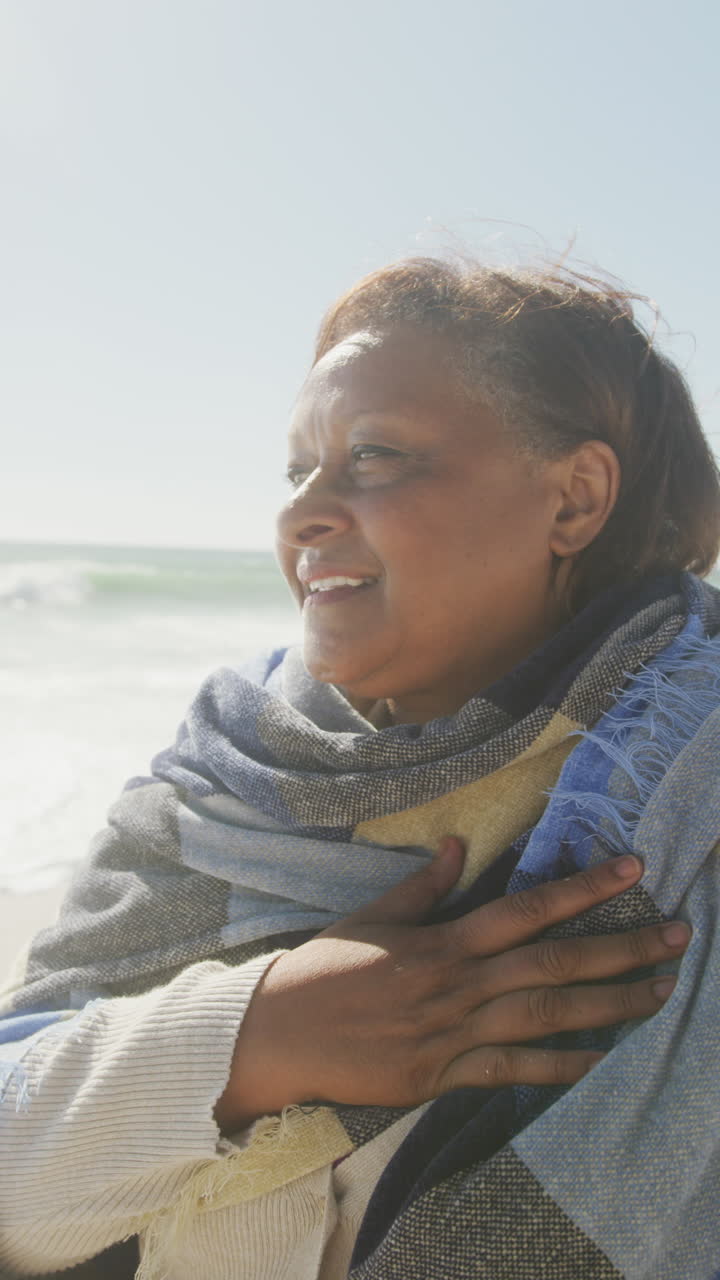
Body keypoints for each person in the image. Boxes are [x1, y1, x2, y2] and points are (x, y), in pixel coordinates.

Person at [2, 257, 720, 1280]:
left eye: (376, 456)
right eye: (297, 470)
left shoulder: (694, 798)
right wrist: (256, 1033)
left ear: (574, 498)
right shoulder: (218, 783)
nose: (302, 515)